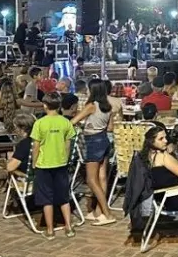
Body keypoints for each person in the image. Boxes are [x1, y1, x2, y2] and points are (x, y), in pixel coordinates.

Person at [70, 78, 116, 225]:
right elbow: (110, 128)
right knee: (102, 178)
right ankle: (99, 211)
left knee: (91, 179)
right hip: (104, 140)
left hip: (93, 141)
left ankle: (107, 213)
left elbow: (74, 121)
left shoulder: (91, 105)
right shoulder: (108, 106)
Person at [31, 92, 77, 238]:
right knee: (63, 197)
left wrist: (34, 162)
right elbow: (68, 143)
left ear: (45, 105)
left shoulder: (40, 123)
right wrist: (66, 158)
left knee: (46, 198)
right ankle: (68, 227)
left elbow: (36, 146)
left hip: (44, 164)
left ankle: (50, 230)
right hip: (61, 163)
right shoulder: (65, 122)